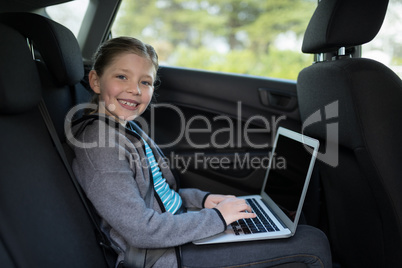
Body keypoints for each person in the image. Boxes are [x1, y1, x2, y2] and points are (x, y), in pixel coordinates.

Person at [69, 36, 332, 268]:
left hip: (175, 232)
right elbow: (141, 230)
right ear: (95, 80)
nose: (135, 90)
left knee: (291, 225)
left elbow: (160, 195)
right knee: (312, 243)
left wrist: (203, 200)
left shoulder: (128, 129)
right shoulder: (100, 145)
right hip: (159, 256)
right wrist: (217, 218)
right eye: (122, 76)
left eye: (145, 82)